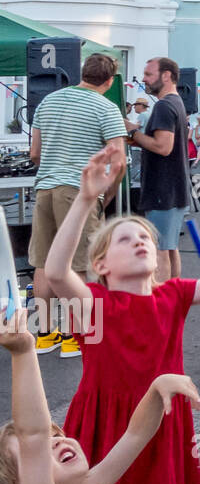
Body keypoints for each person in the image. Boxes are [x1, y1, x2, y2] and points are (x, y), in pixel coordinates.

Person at [47, 146, 200, 484]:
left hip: (164, 416)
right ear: (101, 265)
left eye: (144, 237)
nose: (140, 242)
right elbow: (55, 273)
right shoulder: (95, 303)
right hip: (107, 421)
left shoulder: (172, 294)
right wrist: (85, 200)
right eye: (124, 240)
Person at [0, 308, 200, 484]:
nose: (55, 441)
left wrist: (157, 388)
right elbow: (33, 433)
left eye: (54, 435)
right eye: (37, 451)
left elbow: (135, 434)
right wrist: (23, 352)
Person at [28, 51, 127, 360]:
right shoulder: (107, 108)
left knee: (43, 262)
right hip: (79, 191)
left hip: (45, 187)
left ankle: (44, 334)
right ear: (109, 81)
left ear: (81, 73)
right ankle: (76, 336)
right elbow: (119, 162)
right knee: (82, 264)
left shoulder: (49, 101)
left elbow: (34, 153)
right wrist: (106, 193)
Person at [124, 56, 191, 281]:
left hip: (163, 188)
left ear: (166, 76)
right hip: (174, 186)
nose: (144, 79)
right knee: (170, 247)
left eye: (149, 75)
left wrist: (133, 134)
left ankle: (162, 302)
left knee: (160, 250)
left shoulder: (164, 105)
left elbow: (163, 147)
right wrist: (139, 133)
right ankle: (173, 299)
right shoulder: (175, 102)